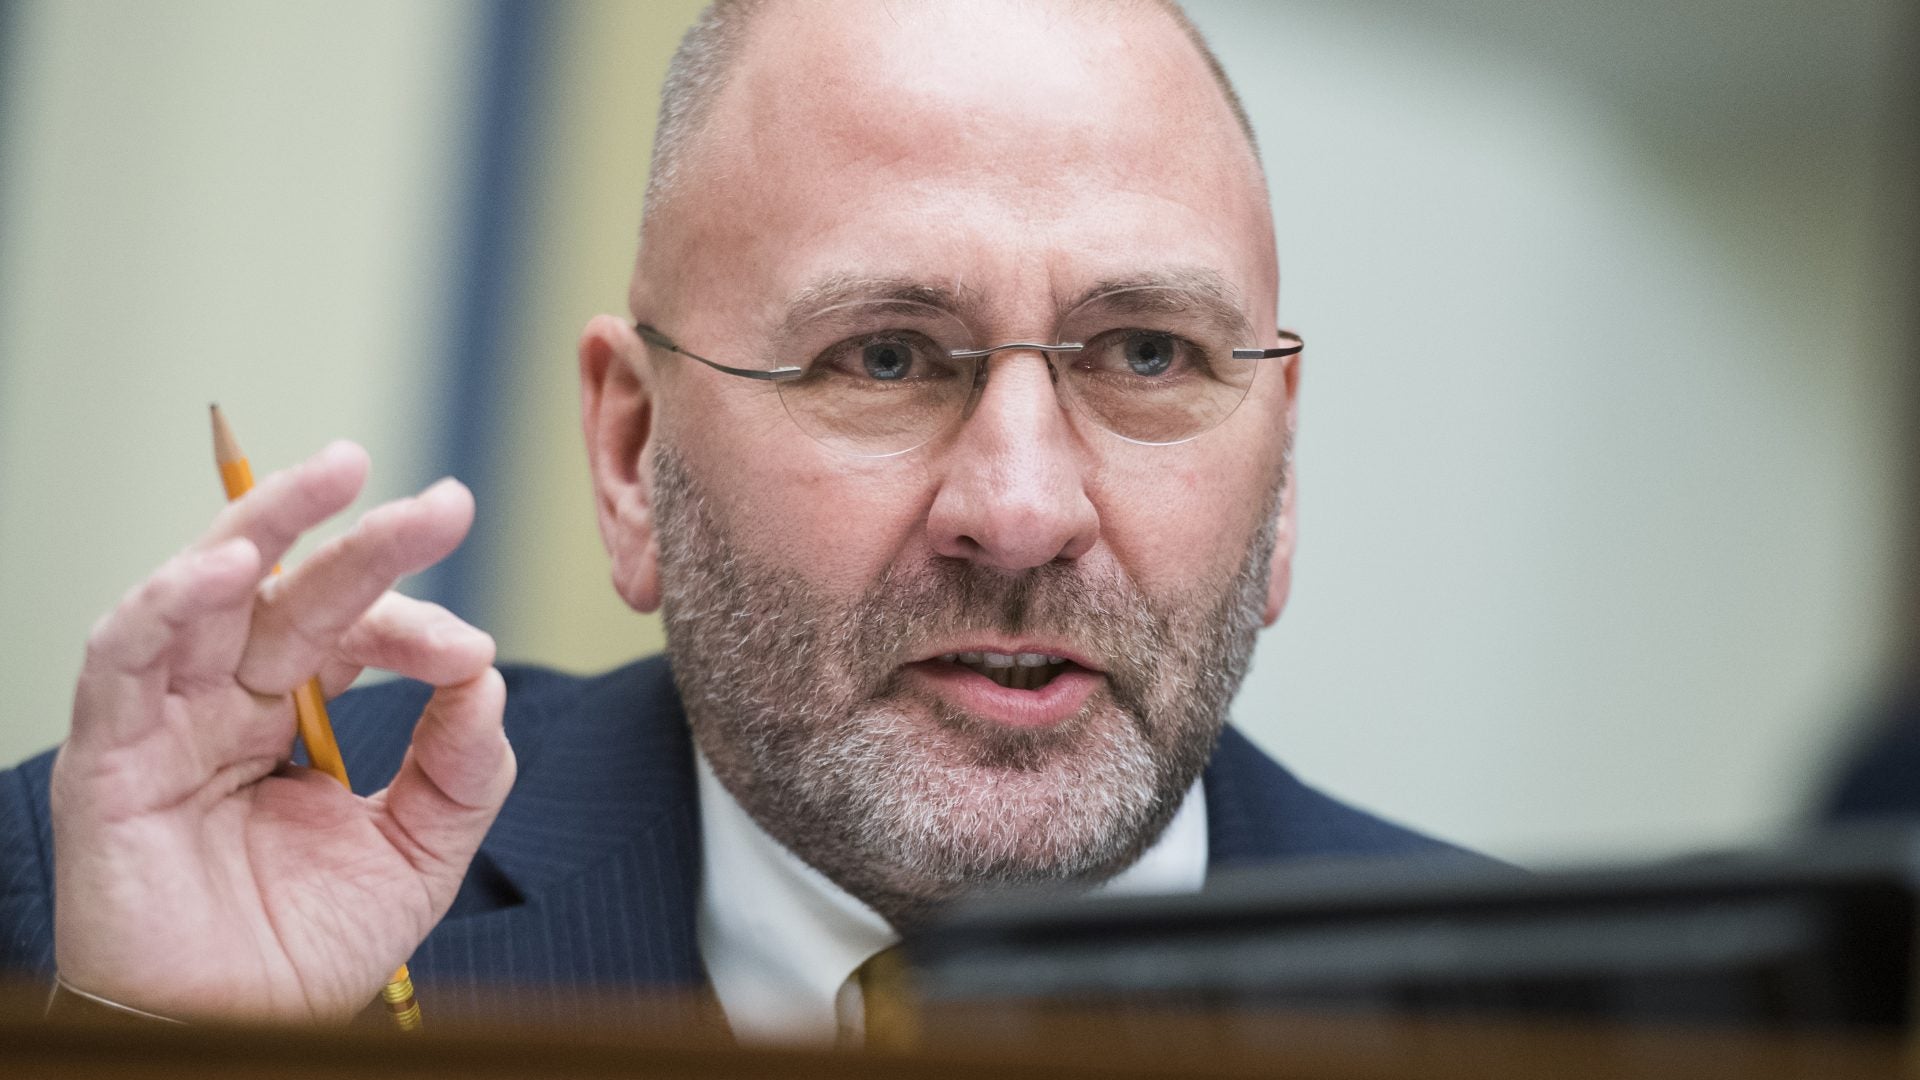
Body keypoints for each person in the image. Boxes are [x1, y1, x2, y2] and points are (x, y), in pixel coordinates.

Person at [0, 0, 1469, 1044]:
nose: (1021, 513)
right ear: (632, 454)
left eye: (1147, 354)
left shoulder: (1547, 1013)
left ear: (1281, 469)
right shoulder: (115, 905)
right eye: (883, 357)